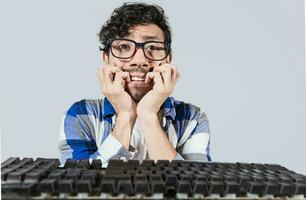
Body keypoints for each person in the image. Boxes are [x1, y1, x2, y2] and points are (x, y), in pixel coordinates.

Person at [59, 2, 211, 166]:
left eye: (153, 47)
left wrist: (148, 115)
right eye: (124, 46)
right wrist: (126, 115)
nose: (139, 61)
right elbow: (78, 184)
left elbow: (193, 187)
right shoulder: (80, 116)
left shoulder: (192, 118)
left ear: (168, 59)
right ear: (106, 59)